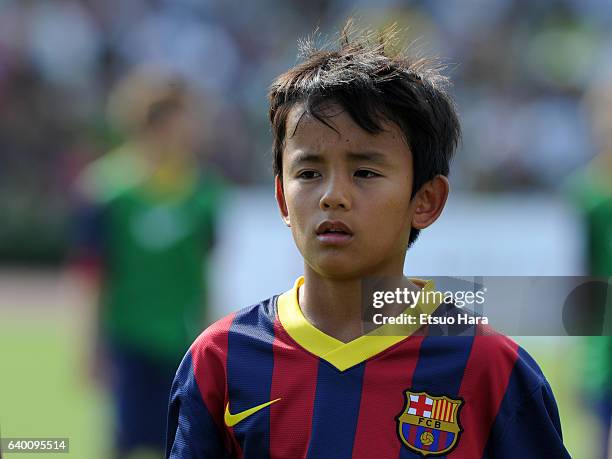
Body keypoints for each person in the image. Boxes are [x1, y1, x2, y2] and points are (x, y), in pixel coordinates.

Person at [166, 23, 570, 458]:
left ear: (426, 200)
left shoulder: (492, 369)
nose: (333, 195)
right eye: (308, 173)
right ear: (283, 198)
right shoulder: (221, 359)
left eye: (365, 172)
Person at [73, 67, 224, 459]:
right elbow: (94, 276)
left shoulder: (203, 192)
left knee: (178, 442)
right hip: (128, 338)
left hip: (182, 340)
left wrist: (215, 338)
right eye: (181, 121)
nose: (189, 131)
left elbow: (205, 271)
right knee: (122, 440)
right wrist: (91, 345)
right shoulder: (107, 191)